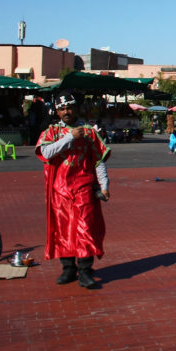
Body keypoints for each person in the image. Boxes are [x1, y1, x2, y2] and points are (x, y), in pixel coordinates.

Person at [36, 92, 111, 290]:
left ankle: (85, 271)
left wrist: (104, 185)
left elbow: (98, 160)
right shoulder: (51, 132)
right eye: (62, 109)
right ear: (57, 111)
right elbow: (45, 152)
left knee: (85, 228)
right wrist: (69, 137)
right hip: (60, 190)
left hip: (84, 188)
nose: (66, 112)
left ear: (77, 109)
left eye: (69, 108)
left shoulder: (89, 132)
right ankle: (68, 268)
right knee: (63, 230)